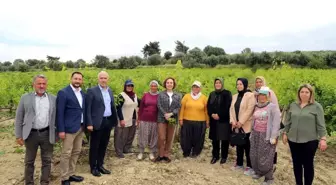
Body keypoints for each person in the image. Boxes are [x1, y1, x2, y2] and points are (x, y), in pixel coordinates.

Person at [14, 74, 56, 185]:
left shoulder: (53, 98)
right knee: (29, 161)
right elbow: (19, 117)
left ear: (46, 85)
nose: (41, 86)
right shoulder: (25, 98)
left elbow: (56, 118)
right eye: (39, 83)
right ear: (34, 85)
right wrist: (18, 135)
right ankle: (29, 182)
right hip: (31, 134)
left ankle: (44, 182)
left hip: (47, 133)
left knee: (47, 160)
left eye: (44, 83)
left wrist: (57, 134)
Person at [282, 84, 327, 185]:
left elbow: (321, 124)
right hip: (293, 140)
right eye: (302, 92)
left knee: (308, 164)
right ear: (299, 93)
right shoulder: (293, 105)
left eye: (307, 92)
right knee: (296, 164)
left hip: (310, 141)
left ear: (311, 94)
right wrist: (285, 133)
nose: (304, 94)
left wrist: (323, 139)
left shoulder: (317, 106)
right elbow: (288, 122)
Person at [86, 71, 118, 177]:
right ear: (98, 79)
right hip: (97, 122)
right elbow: (88, 108)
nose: (103, 80)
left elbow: (112, 106)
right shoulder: (91, 91)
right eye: (101, 78)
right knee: (95, 145)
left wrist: (114, 120)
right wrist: (89, 123)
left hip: (108, 121)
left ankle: (100, 165)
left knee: (104, 145)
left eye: (105, 78)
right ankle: (93, 167)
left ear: (108, 79)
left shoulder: (109, 91)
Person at [57, 72, 85, 185]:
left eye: (79, 79)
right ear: (71, 79)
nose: (77, 81)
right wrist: (61, 129)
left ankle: (71, 173)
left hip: (80, 127)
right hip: (68, 128)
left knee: (76, 151)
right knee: (66, 153)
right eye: (75, 78)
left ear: (82, 81)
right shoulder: (63, 92)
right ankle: (64, 178)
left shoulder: (82, 93)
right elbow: (60, 113)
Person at [250, 86, 280, 185]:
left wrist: (273, 136)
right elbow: (253, 120)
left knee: (266, 156)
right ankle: (259, 172)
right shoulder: (256, 106)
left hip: (266, 135)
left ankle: (269, 178)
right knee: (255, 154)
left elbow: (276, 122)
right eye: (260, 95)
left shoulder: (272, 107)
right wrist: (252, 133)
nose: (261, 97)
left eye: (264, 95)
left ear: (267, 96)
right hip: (256, 133)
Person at [230, 78, 256, 176]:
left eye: (241, 84)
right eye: (237, 84)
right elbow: (231, 109)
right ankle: (239, 164)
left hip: (246, 125)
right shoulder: (234, 96)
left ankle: (250, 166)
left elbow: (250, 110)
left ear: (245, 85)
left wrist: (241, 122)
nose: (239, 86)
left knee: (247, 146)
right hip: (236, 125)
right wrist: (233, 121)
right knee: (239, 145)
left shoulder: (250, 96)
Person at [254, 76, 280, 171]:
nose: (258, 83)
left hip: (269, 124)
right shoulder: (255, 94)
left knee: (270, 147)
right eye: (257, 82)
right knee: (261, 148)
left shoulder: (270, 92)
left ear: (264, 82)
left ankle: (272, 165)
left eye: (260, 82)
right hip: (259, 125)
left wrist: (274, 130)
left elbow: (275, 109)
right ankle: (262, 166)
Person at [179, 81, 209, 158]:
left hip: (200, 121)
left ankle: (196, 152)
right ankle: (186, 152)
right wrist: (181, 119)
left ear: (200, 88)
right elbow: (182, 108)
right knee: (186, 137)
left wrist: (207, 121)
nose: (195, 88)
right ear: (192, 87)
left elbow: (206, 111)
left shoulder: (204, 98)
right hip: (187, 120)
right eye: (194, 87)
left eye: (197, 87)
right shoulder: (186, 96)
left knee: (198, 138)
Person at [155, 77, 181, 163]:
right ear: (165, 84)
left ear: (173, 84)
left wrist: (171, 114)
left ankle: (166, 155)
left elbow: (178, 107)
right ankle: (160, 154)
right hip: (162, 118)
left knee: (169, 138)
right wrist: (165, 114)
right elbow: (159, 105)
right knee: (161, 137)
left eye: (171, 83)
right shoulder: (161, 94)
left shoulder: (178, 95)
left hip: (172, 118)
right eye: (168, 83)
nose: (169, 84)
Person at [207, 78, 232, 164]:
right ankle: (215, 156)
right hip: (214, 120)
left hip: (223, 120)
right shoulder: (212, 94)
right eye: (216, 83)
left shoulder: (227, 93)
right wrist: (212, 114)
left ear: (222, 84)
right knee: (215, 139)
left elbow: (228, 107)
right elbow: (208, 106)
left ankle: (224, 157)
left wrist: (220, 115)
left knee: (224, 139)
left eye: (219, 83)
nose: (217, 84)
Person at [114, 79, 140, 158]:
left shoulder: (134, 95)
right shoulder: (121, 95)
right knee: (121, 136)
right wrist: (121, 119)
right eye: (128, 85)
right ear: (125, 86)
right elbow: (118, 108)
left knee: (130, 135)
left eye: (131, 85)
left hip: (133, 118)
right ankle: (119, 152)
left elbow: (139, 104)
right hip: (124, 118)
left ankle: (126, 149)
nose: (130, 87)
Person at [137, 80, 159, 161]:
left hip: (155, 119)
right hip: (144, 118)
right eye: (152, 86)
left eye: (155, 86)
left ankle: (151, 152)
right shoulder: (146, 95)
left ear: (157, 87)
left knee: (153, 136)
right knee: (143, 135)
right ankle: (141, 152)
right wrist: (139, 118)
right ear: (150, 86)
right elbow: (141, 107)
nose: (153, 87)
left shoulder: (159, 96)